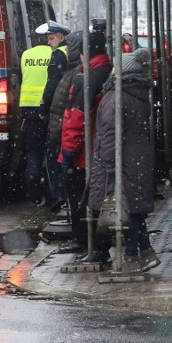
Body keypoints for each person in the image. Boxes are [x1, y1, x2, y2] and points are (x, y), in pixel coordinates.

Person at [89, 47, 159, 273]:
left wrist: (108, 162)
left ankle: (133, 255)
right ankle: (144, 253)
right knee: (133, 208)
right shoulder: (138, 95)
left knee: (125, 209)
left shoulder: (116, 97)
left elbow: (109, 133)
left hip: (122, 160)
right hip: (137, 157)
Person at [56, 31, 112, 262]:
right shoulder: (106, 70)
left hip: (86, 150)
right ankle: (95, 243)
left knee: (82, 196)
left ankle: (85, 241)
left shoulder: (87, 76)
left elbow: (75, 116)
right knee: (99, 196)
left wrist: (67, 151)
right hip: (100, 145)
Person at [44, 29, 83, 212]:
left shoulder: (74, 73)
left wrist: (59, 126)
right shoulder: (71, 70)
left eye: (52, 38)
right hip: (61, 127)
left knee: (58, 165)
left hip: (63, 129)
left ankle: (59, 197)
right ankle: (60, 197)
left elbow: (70, 106)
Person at [19, 24, 56, 205]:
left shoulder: (26, 54)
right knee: (50, 151)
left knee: (33, 151)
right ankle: (50, 194)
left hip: (28, 109)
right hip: (47, 108)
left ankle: (32, 190)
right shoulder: (54, 55)